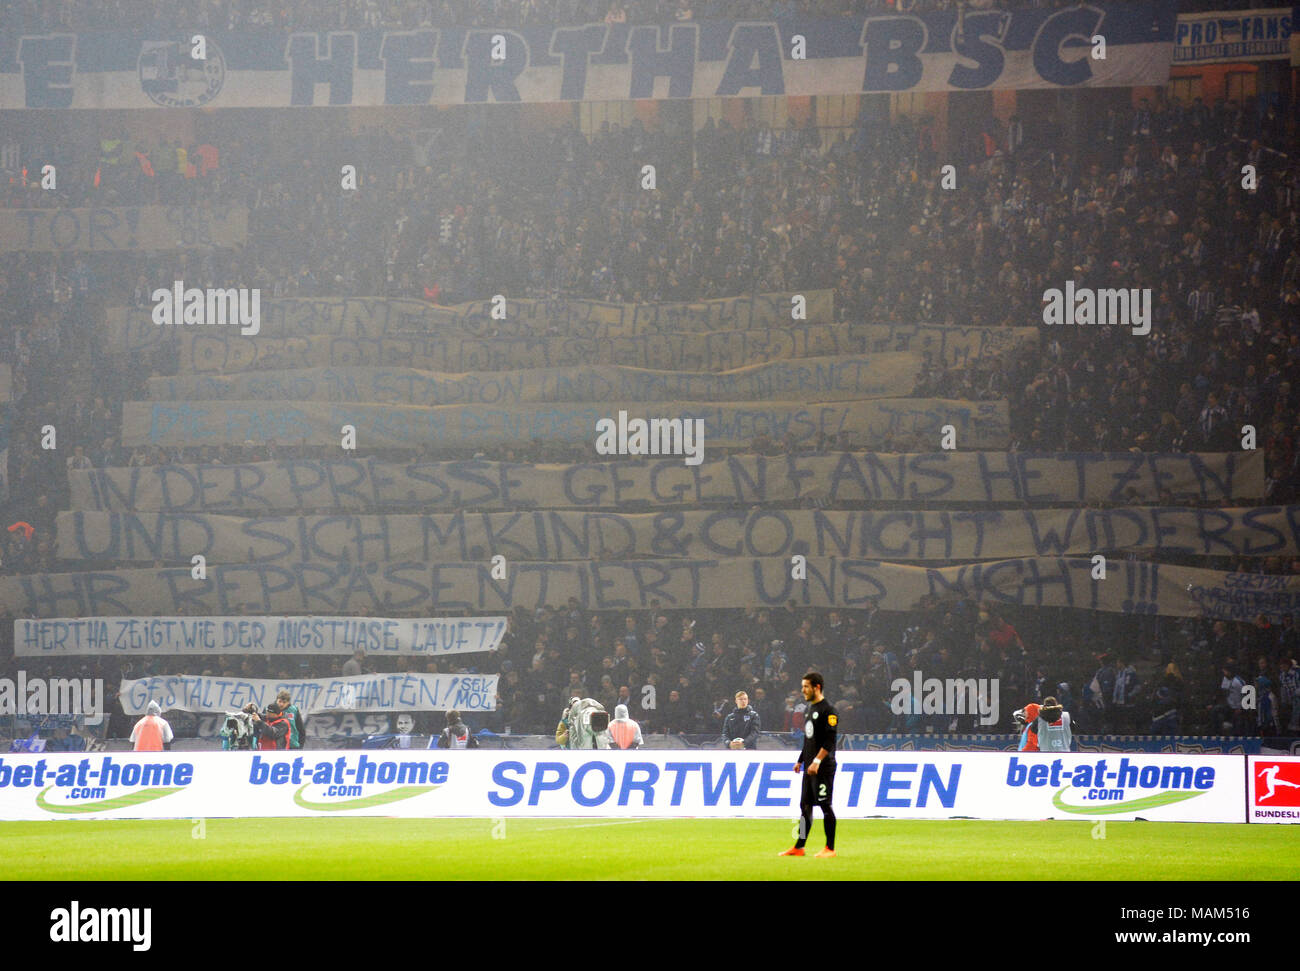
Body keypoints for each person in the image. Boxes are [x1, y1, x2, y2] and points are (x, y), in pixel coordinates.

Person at [779, 672, 837, 859]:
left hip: (823, 767)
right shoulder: (809, 709)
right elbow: (809, 739)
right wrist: (801, 760)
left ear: (816, 687)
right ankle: (799, 847)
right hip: (810, 767)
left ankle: (830, 848)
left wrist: (817, 761)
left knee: (825, 806)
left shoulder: (829, 710)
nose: (802, 690)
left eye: (805, 686)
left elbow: (830, 741)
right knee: (805, 806)